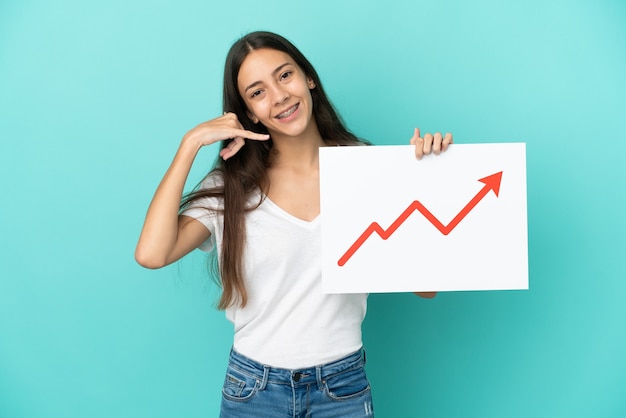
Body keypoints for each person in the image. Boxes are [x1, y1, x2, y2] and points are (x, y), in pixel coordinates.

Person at [135, 31, 452, 418]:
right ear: (249, 112)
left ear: (308, 78)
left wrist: (423, 180)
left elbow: (426, 288)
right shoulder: (231, 186)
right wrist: (189, 145)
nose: (279, 95)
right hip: (253, 390)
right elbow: (152, 253)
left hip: (342, 388)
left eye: (284, 76)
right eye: (257, 92)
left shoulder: (366, 167)